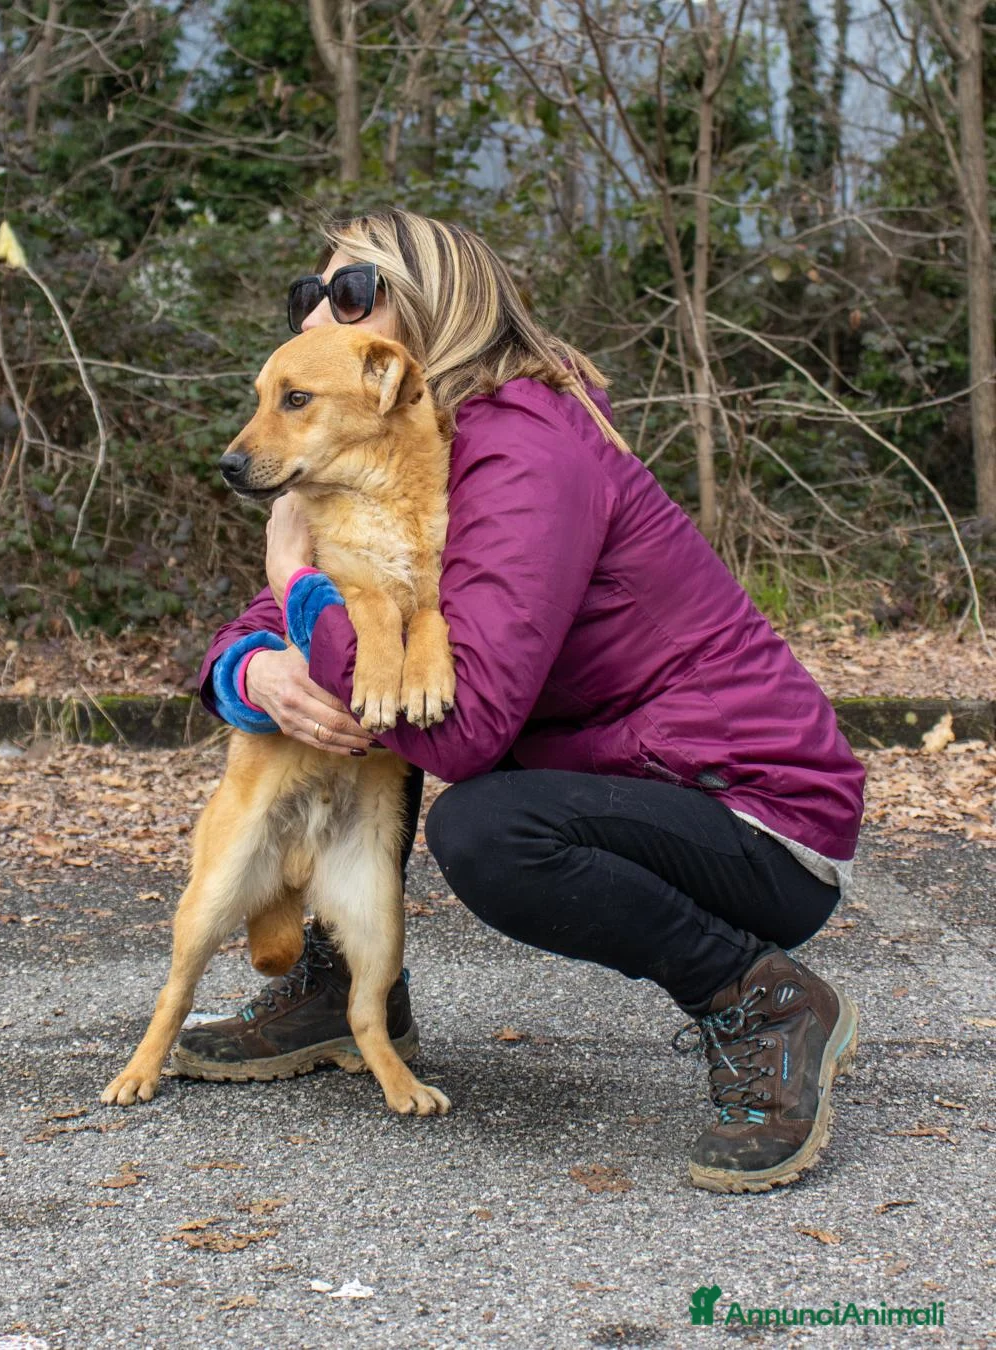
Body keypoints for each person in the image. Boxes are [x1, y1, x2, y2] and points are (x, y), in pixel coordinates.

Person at [179, 207, 865, 1195]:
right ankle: (340, 986)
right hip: (620, 775)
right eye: (310, 297)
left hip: (755, 817)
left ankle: (764, 1003)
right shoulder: (402, 443)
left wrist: (299, 593)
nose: (325, 319)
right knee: (339, 680)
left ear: (429, 299)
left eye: (353, 294)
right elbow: (315, 591)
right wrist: (254, 670)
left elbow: (462, 730)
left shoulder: (528, 443)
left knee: (489, 826)